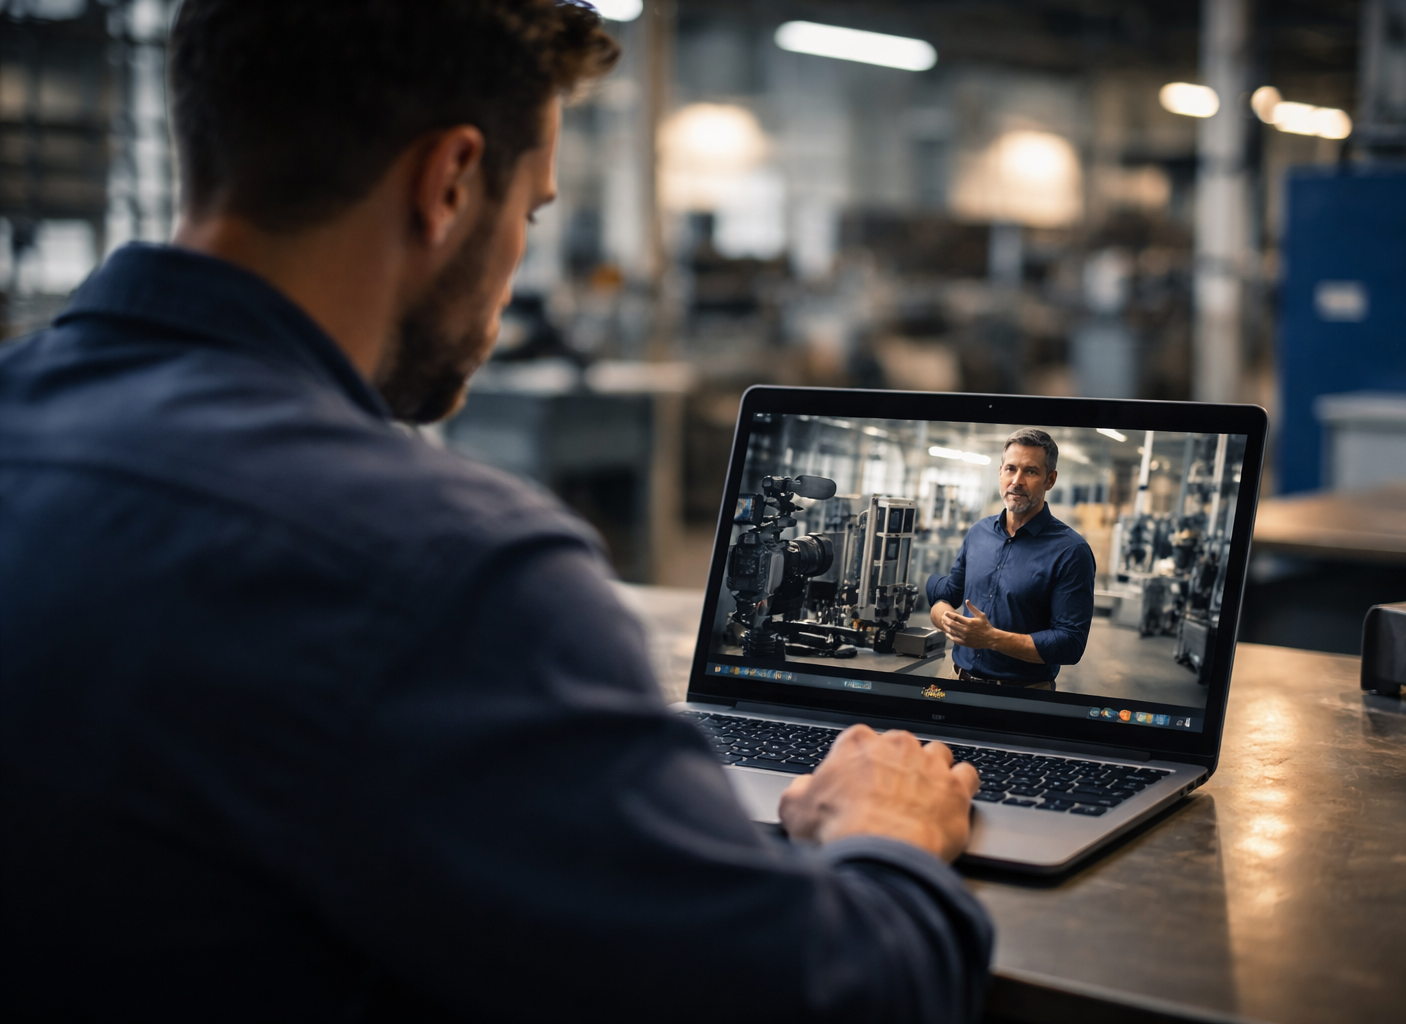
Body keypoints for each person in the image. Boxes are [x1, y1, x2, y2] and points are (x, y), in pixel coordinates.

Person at [0, 2, 991, 1021]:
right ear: (451, 183)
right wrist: (890, 832)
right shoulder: (446, 571)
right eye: (532, 212)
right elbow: (833, 996)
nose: (518, 261)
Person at [927, 428, 1096, 691]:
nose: (1017, 480)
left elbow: (1069, 643)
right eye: (1010, 469)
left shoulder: (1071, 551)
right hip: (957, 683)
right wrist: (946, 619)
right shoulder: (978, 533)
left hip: (1022, 697)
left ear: (1050, 480)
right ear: (1000, 472)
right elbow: (948, 594)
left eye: (1030, 471)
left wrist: (991, 638)